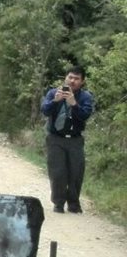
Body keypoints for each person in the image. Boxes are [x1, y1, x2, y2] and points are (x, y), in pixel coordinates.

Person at [40, 66, 95, 213]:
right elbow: (45, 110)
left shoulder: (86, 97)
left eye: (76, 79)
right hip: (55, 138)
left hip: (75, 140)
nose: (72, 81)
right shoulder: (53, 92)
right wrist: (55, 101)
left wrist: (74, 104)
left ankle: (74, 204)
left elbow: (85, 115)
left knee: (76, 173)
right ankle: (58, 203)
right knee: (57, 173)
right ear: (65, 78)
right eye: (70, 77)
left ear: (82, 81)